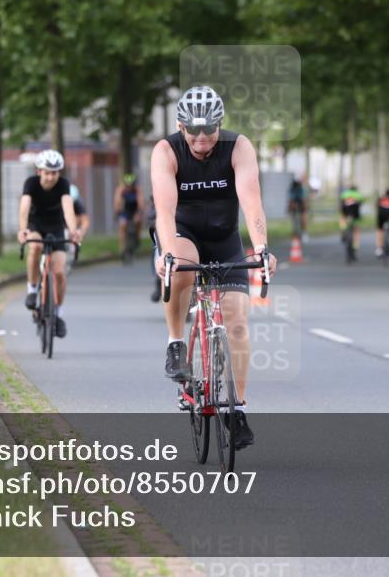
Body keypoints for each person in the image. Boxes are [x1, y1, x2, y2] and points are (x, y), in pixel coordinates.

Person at [151, 85, 277, 451]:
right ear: (181, 125)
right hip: (183, 231)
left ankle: (236, 409)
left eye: (210, 131)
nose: (203, 140)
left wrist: (263, 248)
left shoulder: (239, 147)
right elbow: (164, 209)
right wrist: (166, 252)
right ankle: (176, 343)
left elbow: (252, 202)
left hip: (224, 237)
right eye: (194, 132)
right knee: (183, 266)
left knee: (237, 322)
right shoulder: (166, 151)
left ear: (220, 126)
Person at [18, 150, 81, 338]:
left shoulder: (63, 185)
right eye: (47, 172)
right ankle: (31, 289)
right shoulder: (30, 184)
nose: (51, 177)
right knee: (35, 246)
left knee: (60, 272)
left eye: (55, 173)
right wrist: (22, 229)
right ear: (39, 172)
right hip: (35, 224)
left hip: (55, 227)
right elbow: (24, 207)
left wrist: (73, 230)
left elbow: (68, 208)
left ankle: (58, 314)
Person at [113, 173, 144, 260]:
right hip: (124, 211)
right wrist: (117, 213)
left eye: (131, 185)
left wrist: (139, 213)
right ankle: (122, 248)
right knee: (123, 225)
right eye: (128, 185)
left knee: (137, 221)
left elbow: (141, 203)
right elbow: (117, 202)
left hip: (134, 211)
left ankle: (137, 238)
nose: (129, 187)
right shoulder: (121, 189)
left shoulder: (137, 190)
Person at [65, 183, 90, 272]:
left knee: (76, 219)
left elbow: (85, 220)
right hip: (61, 225)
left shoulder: (79, 203)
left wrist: (82, 231)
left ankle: (73, 249)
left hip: (73, 226)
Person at [339, 184, 365, 260]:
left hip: (346, 212)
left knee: (342, 217)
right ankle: (355, 247)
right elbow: (361, 203)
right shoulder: (358, 194)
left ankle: (343, 229)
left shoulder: (345, 194)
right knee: (356, 231)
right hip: (355, 213)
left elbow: (341, 203)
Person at [374, 189, 389, 258]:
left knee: (380, 230)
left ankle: (379, 249)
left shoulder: (381, 198)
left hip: (381, 214)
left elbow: (376, 205)